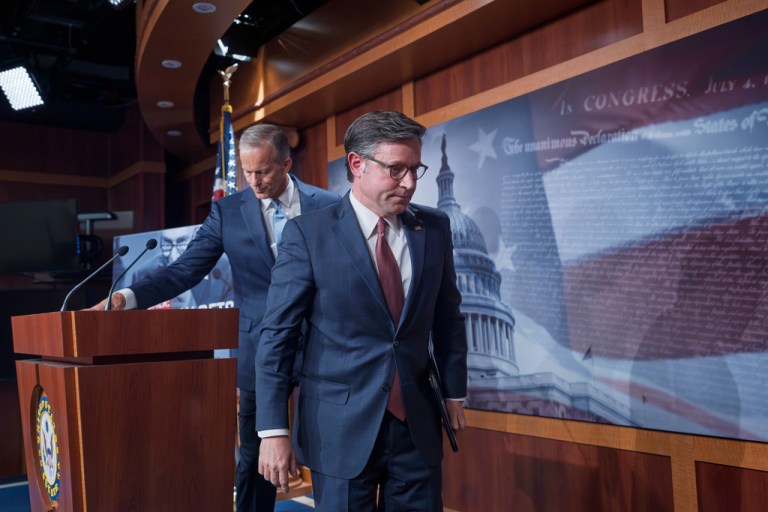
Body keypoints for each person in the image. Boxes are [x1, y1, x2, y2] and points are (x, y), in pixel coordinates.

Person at [87, 124, 340, 512]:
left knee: (330, 458)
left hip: (323, 348)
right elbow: (185, 270)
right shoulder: (227, 212)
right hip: (259, 351)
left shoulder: (327, 204)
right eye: (247, 171)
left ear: (286, 163)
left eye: (264, 172)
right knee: (256, 464)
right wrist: (126, 297)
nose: (253, 181)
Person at [255, 110, 468, 511]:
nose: (409, 183)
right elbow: (277, 336)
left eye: (415, 169)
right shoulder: (308, 234)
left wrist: (455, 392)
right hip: (338, 429)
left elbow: (448, 319)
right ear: (357, 164)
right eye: (396, 169)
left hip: (417, 426)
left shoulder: (435, 228)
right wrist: (272, 431)